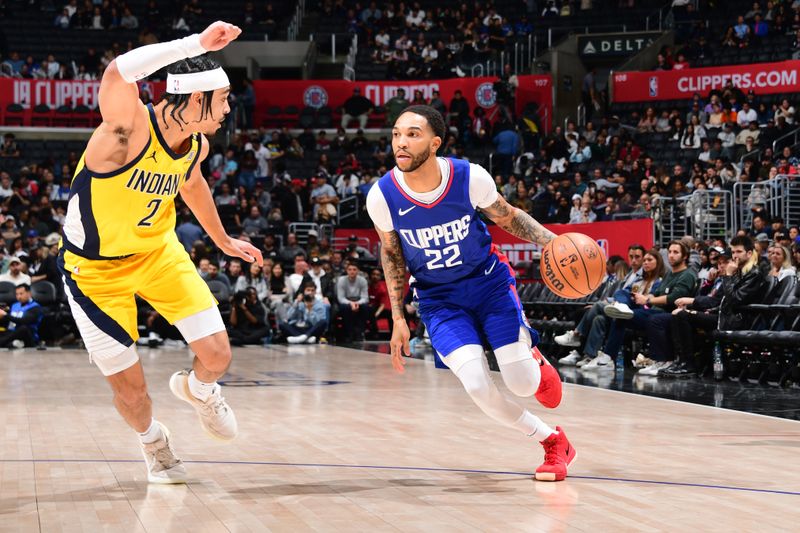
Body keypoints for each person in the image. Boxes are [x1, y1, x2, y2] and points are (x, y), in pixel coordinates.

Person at [56, 22, 263, 484]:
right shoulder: (126, 130)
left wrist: (224, 239)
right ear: (194, 99)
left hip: (157, 254)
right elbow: (116, 72)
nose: (230, 108)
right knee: (133, 395)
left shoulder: (196, 144)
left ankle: (200, 389)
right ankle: (154, 443)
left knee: (218, 355)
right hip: (94, 271)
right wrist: (194, 45)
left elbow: (191, 183)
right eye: (223, 99)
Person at [366, 105, 574, 482]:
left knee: (522, 383)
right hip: (439, 300)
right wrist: (398, 318)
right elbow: (392, 255)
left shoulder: (468, 177)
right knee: (477, 384)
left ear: (435, 142)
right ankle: (552, 441)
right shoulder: (382, 195)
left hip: (489, 285)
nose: (401, 142)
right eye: (396, 134)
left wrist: (552, 241)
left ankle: (536, 362)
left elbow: (508, 216)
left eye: (413, 134)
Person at [0, 284, 43, 348]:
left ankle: (4, 343)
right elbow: (10, 320)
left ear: (29, 293)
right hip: (11, 332)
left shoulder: (35, 307)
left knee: (24, 328)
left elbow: (24, 321)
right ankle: (13, 344)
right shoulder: (14, 305)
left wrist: (5, 315)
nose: (19, 297)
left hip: (27, 335)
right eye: (17, 294)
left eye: (21, 294)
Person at [336, 261, 370, 342]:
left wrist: (357, 303)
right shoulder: (341, 280)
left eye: (354, 269)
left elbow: (365, 298)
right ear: (346, 271)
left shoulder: (362, 280)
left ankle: (360, 333)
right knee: (345, 308)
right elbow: (341, 298)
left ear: (358, 271)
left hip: (358, 301)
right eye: (350, 269)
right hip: (346, 302)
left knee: (366, 307)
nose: (352, 271)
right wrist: (351, 303)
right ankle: (349, 333)